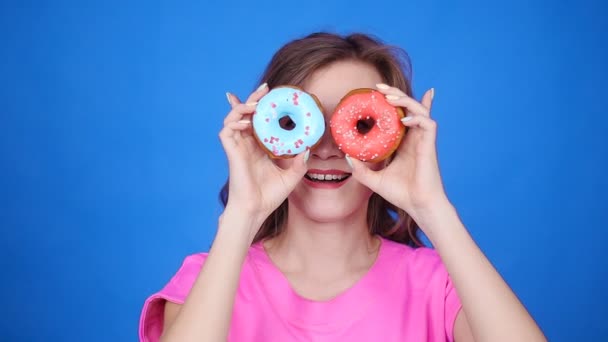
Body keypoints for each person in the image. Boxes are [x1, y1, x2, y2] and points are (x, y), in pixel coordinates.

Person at [139, 32, 546, 341]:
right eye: (302, 124)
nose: (328, 148)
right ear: (263, 135)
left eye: (359, 125)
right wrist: (243, 214)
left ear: (396, 143)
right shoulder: (208, 278)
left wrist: (432, 207)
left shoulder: (441, 286)